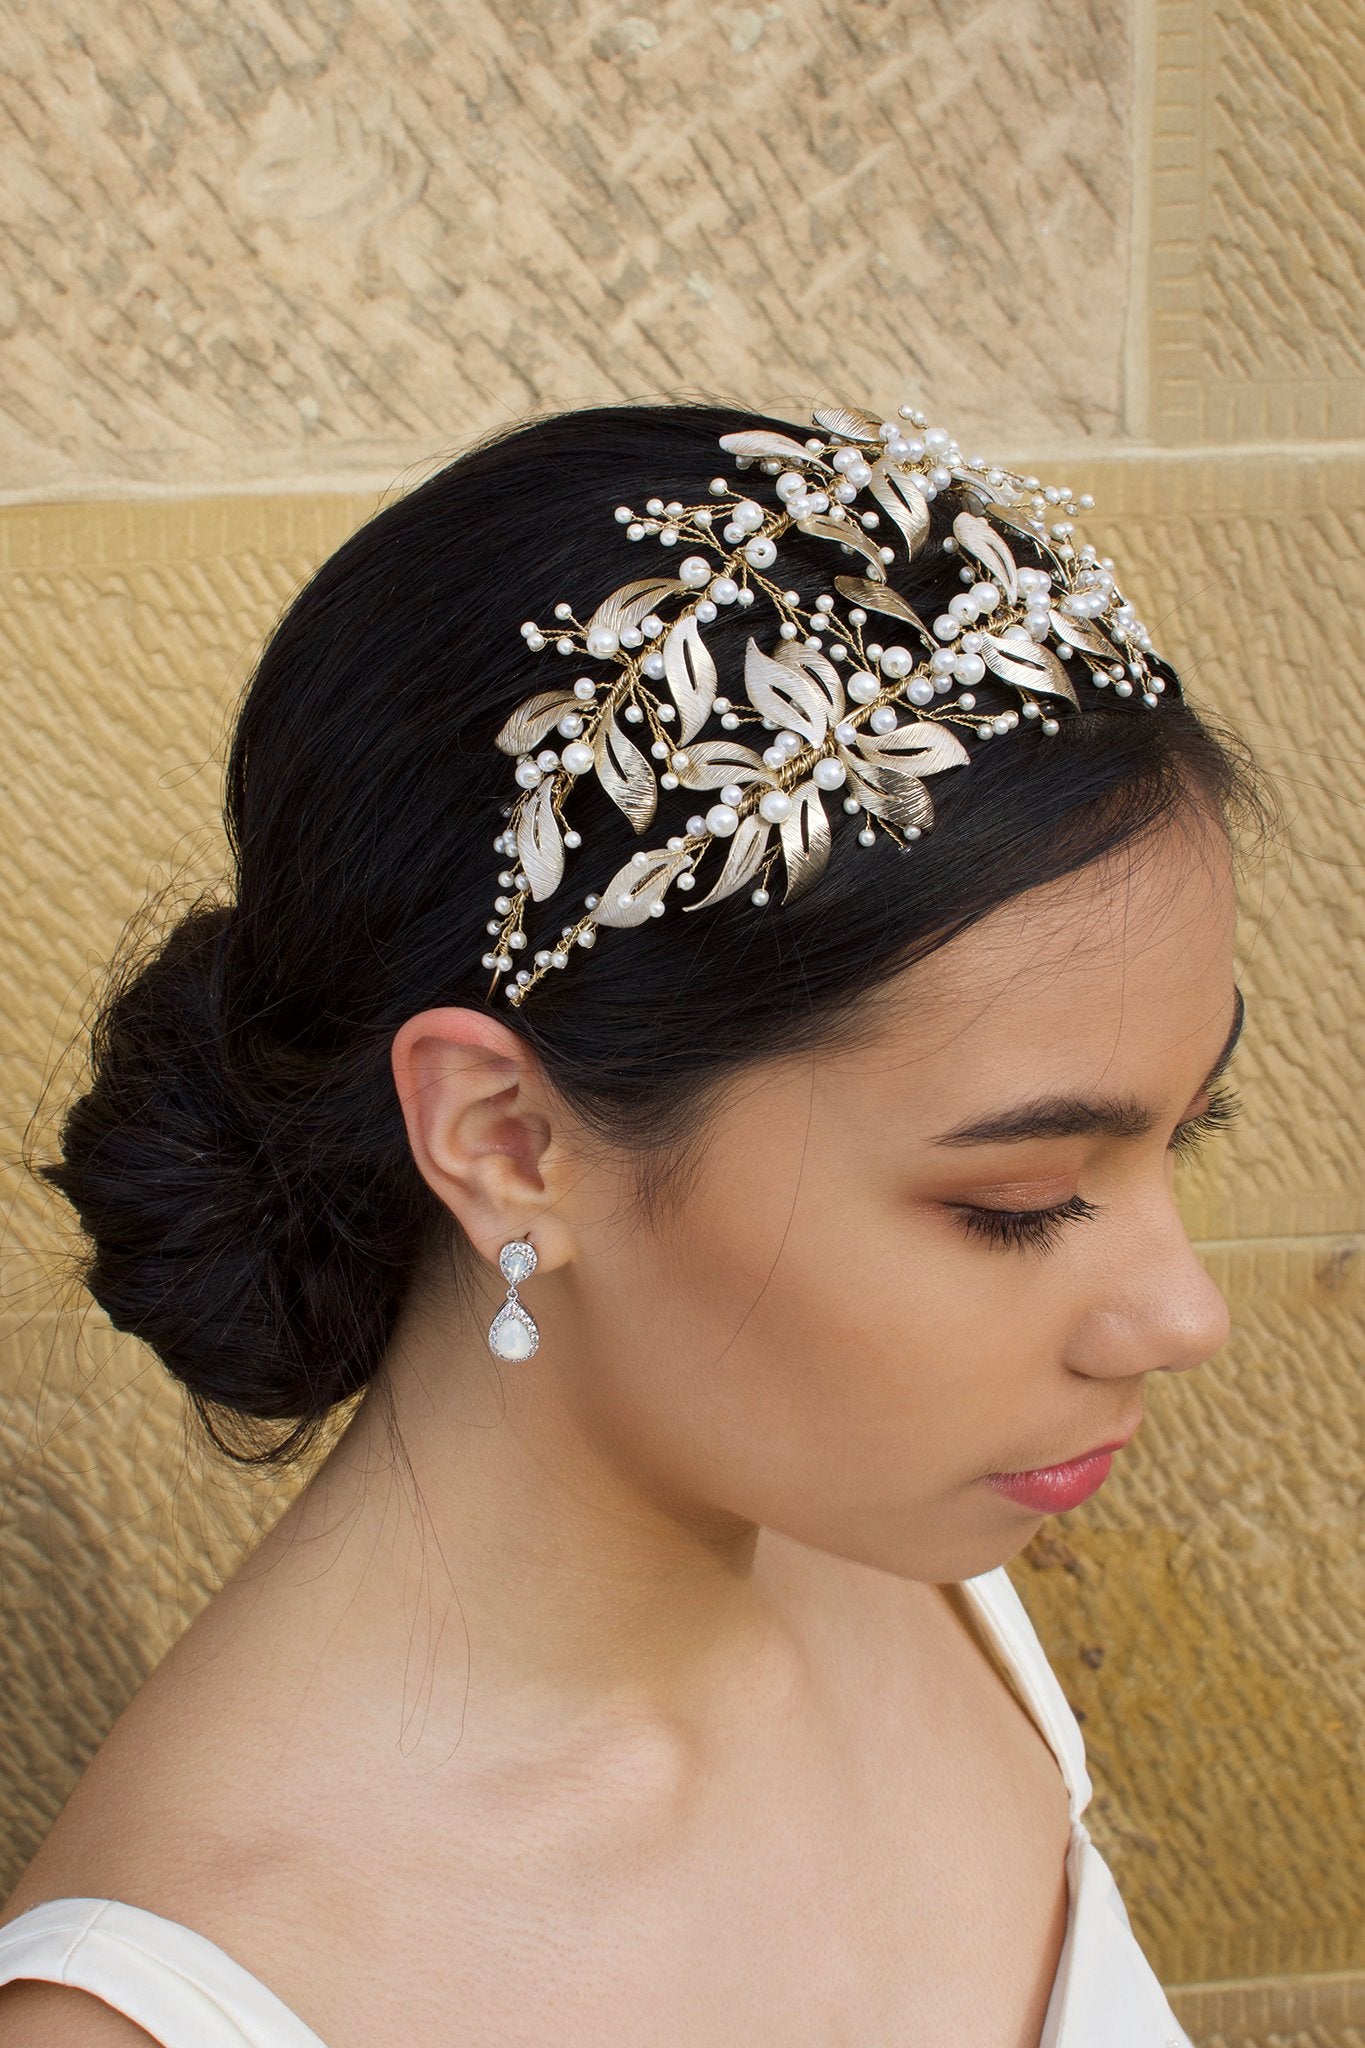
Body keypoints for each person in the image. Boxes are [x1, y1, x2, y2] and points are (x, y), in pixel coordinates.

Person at [0, 398, 1263, 2046]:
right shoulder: (194, 2001)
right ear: (510, 1140)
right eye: (1015, 1204)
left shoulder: (910, 1567)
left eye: (1193, 1127)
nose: (1181, 1314)